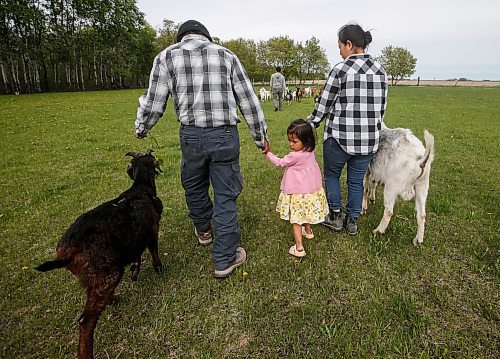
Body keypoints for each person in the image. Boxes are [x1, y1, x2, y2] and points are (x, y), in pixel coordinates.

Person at [135, 20, 270, 278]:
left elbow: (154, 102)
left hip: (191, 135)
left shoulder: (165, 57)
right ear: (206, 36)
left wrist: (142, 126)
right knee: (226, 195)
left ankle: (204, 230)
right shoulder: (227, 55)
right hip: (224, 134)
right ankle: (225, 259)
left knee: (194, 184)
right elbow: (249, 100)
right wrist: (260, 136)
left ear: (181, 37)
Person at [307, 23, 388, 235]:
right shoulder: (381, 71)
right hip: (368, 140)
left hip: (339, 138)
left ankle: (335, 215)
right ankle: (352, 220)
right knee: (355, 180)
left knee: (332, 175)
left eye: (340, 45)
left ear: (350, 45)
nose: (339, 50)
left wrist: (311, 122)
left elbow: (324, 104)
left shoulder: (340, 70)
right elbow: (382, 109)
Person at [263, 119, 329, 257]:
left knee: (296, 218)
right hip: (310, 190)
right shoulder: (310, 150)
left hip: (297, 192)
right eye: (290, 140)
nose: (290, 144)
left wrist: (268, 153)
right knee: (305, 211)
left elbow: (280, 163)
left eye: (294, 141)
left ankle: (299, 247)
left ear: (306, 140)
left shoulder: (294, 156)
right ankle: (308, 231)